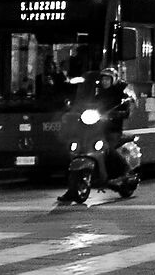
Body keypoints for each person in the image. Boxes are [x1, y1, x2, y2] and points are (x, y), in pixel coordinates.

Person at [58, 65, 137, 204]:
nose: (105, 82)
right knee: (76, 146)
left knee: (109, 149)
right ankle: (71, 189)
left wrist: (119, 113)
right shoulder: (98, 94)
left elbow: (128, 107)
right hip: (95, 128)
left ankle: (125, 171)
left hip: (112, 129)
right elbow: (87, 105)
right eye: (103, 79)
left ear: (113, 80)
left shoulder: (120, 93)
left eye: (108, 79)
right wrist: (74, 110)